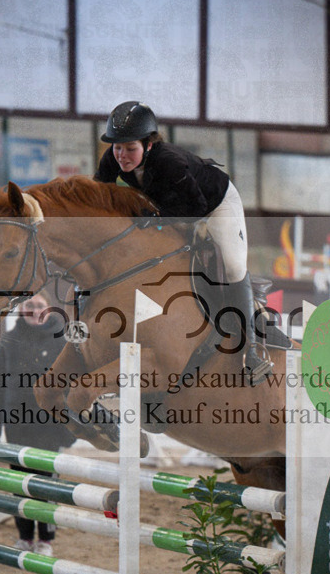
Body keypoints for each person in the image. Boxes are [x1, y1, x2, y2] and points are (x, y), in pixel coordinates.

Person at [94, 100, 271, 383]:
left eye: (130, 149)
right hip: (174, 207)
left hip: (215, 204)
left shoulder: (169, 162)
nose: (122, 156)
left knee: (234, 265)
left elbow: (197, 208)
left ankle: (252, 349)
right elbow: (98, 198)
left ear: (149, 145)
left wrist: (155, 219)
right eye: (117, 147)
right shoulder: (111, 159)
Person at [0, 292, 75, 556]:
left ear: (49, 310)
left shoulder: (62, 340)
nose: (34, 310)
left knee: (47, 485)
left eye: (39, 305)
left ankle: (45, 539)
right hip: (17, 423)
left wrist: (71, 427)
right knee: (19, 483)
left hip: (50, 425)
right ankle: (24, 536)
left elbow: (70, 386)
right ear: (21, 310)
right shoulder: (9, 340)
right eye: (29, 306)